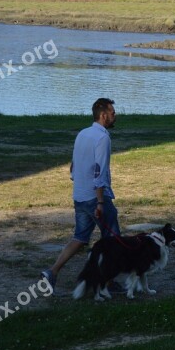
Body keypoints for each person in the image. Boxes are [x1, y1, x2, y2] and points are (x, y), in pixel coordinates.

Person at [41, 98, 122, 293]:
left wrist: (77, 182)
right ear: (103, 115)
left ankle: (52, 272)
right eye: (112, 112)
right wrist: (101, 201)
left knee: (80, 238)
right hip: (96, 198)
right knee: (113, 240)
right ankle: (108, 283)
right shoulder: (103, 138)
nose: (114, 115)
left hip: (80, 195)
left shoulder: (83, 133)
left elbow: (73, 165)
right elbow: (99, 171)